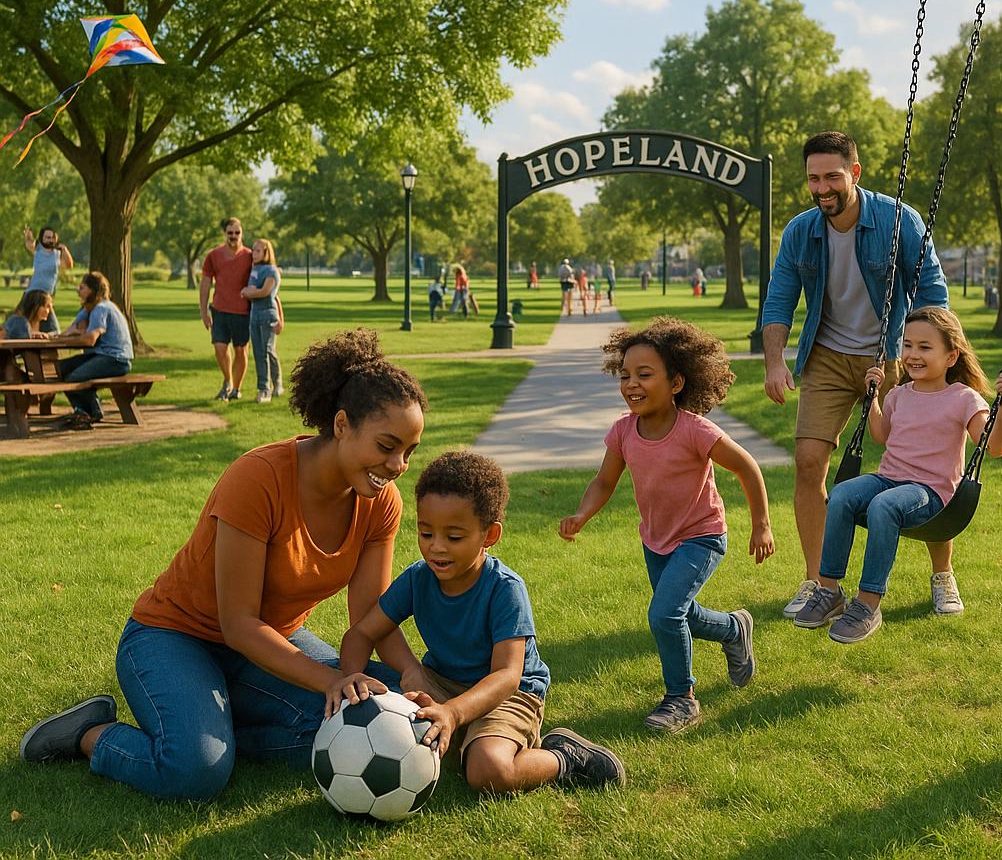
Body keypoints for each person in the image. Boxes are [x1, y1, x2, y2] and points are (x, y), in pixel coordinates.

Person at [20, 329, 427, 801]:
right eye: (387, 445)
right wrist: (334, 680)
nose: (398, 464)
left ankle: (219, 729)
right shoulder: (259, 479)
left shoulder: (381, 502)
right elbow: (237, 624)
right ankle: (92, 734)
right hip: (173, 637)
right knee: (194, 773)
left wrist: (406, 680)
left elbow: (368, 615)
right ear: (341, 425)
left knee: (387, 710)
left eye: (409, 451)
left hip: (272, 641)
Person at [332, 451, 626, 793]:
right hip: (442, 682)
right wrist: (359, 674)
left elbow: (507, 675)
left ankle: (565, 758)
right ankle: (460, 737)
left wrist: (454, 713)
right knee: (393, 734)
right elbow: (363, 633)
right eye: (426, 533)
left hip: (507, 695)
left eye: (453, 537)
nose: (436, 548)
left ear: (489, 535)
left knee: (487, 771)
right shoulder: (417, 579)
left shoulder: (504, 589)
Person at [761, 131, 953, 620]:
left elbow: (931, 291)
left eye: (831, 176)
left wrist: (921, 359)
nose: (822, 187)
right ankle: (818, 584)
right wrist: (775, 360)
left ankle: (942, 574)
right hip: (826, 354)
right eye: (813, 178)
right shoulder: (801, 231)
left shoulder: (897, 221)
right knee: (808, 462)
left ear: (855, 173)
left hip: (889, 357)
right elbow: (780, 298)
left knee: (921, 466)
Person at [558, 318, 774, 733]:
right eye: (625, 375)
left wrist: (761, 525)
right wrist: (582, 514)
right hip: (656, 540)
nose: (631, 384)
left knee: (663, 614)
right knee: (681, 615)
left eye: (644, 375)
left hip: (701, 535)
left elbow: (747, 467)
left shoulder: (694, 430)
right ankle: (733, 629)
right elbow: (604, 482)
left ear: (676, 383)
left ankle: (681, 698)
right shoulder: (623, 431)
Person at [793, 307, 1002, 643]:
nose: (913, 354)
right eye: (908, 345)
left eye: (925, 347)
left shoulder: (963, 398)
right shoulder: (899, 394)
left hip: (931, 492)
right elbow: (882, 435)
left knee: (884, 506)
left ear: (951, 356)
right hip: (889, 478)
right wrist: (874, 400)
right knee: (841, 494)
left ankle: (868, 604)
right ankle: (830, 590)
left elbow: (993, 447)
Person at [55, 273, 133, 430]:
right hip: (100, 355)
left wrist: (75, 336)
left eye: (82, 287)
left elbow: (89, 340)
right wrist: (52, 337)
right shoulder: (88, 309)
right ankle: (85, 411)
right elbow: (69, 331)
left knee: (74, 378)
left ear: (93, 290)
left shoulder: (101, 308)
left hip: (116, 359)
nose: (78, 290)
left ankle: (88, 413)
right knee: (60, 369)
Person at [199, 217, 252, 401]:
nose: (234, 236)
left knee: (241, 351)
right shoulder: (214, 255)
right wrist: (204, 310)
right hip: (219, 310)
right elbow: (205, 282)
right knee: (220, 348)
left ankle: (237, 389)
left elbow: (265, 273)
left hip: (243, 312)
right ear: (225, 234)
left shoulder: (250, 256)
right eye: (230, 233)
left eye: (237, 232)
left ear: (242, 233)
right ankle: (228, 382)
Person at [240, 238, 284, 404]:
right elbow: (251, 291)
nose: (254, 253)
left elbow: (265, 292)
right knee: (259, 353)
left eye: (258, 250)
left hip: (268, 316)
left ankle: (272, 386)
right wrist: (250, 291)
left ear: (267, 252)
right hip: (254, 315)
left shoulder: (272, 271)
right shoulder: (254, 269)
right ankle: (265, 387)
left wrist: (249, 292)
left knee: (267, 351)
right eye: (253, 250)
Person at [23, 225, 73, 333]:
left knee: (53, 330)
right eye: (47, 237)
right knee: (24, 326)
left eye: (52, 237)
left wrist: (65, 249)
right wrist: (28, 236)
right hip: (31, 295)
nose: (50, 240)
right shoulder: (38, 251)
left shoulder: (57, 255)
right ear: (42, 239)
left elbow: (69, 265)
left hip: (45, 298)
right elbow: (29, 244)